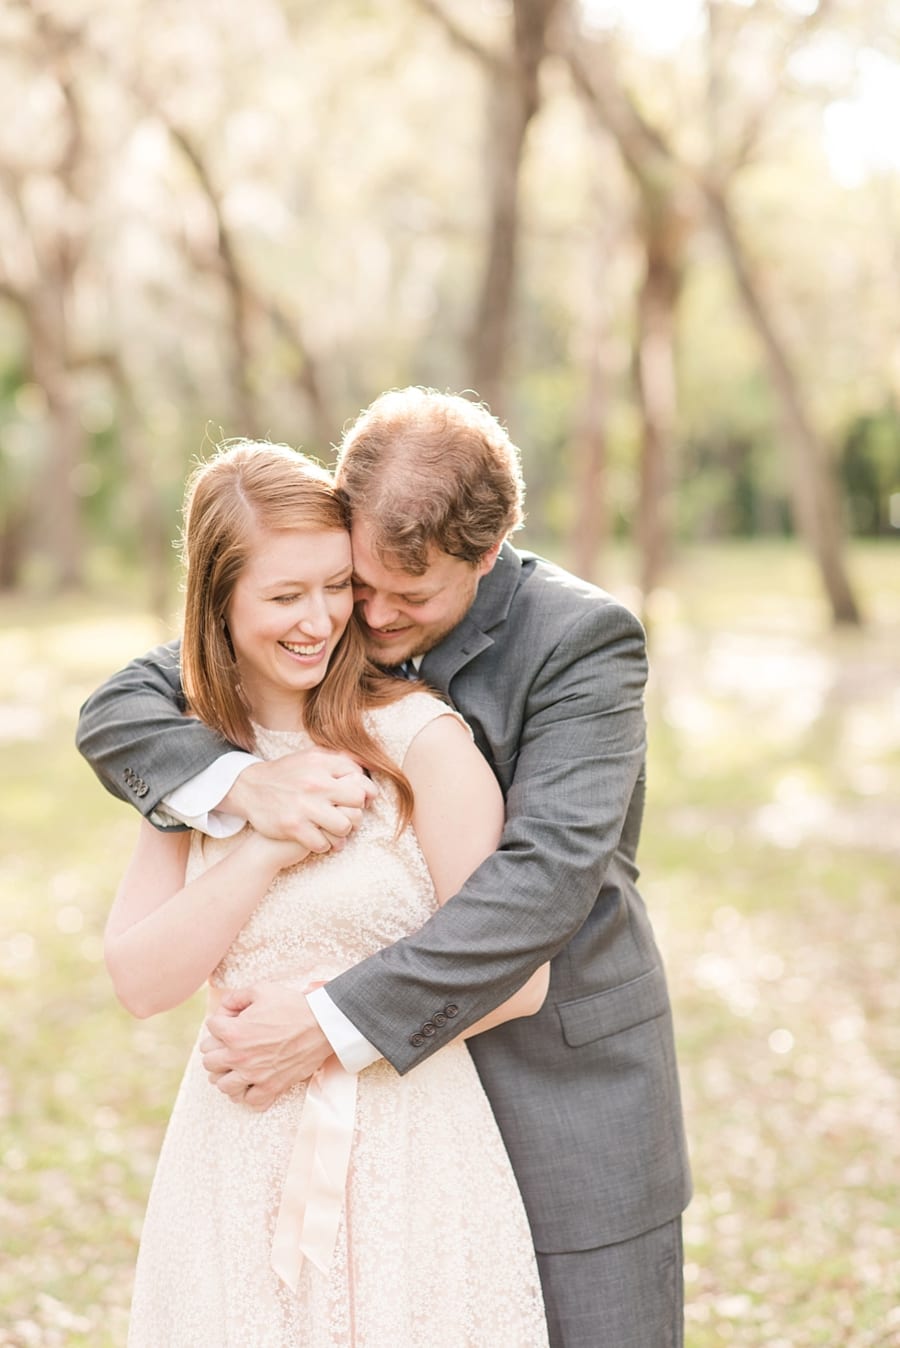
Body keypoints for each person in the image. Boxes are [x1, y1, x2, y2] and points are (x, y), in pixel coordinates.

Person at [77, 389, 692, 1348]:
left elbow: (537, 890)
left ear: (486, 558)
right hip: (265, 1131)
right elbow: (123, 707)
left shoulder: (579, 644)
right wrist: (255, 796)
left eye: (409, 598)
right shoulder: (286, 647)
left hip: (557, 1088)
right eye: (354, 582)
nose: (365, 618)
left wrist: (325, 1022)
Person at [97, 439, 550, 1347]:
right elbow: (142, 981)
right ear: (218, 602)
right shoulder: (196, 761)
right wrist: (261, 842)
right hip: (237, 1149)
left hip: (409, 1147)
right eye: (283, 595)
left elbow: (521, 978)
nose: (322, 620)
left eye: (335, 585)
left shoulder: (420, 740)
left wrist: (328, 1015)